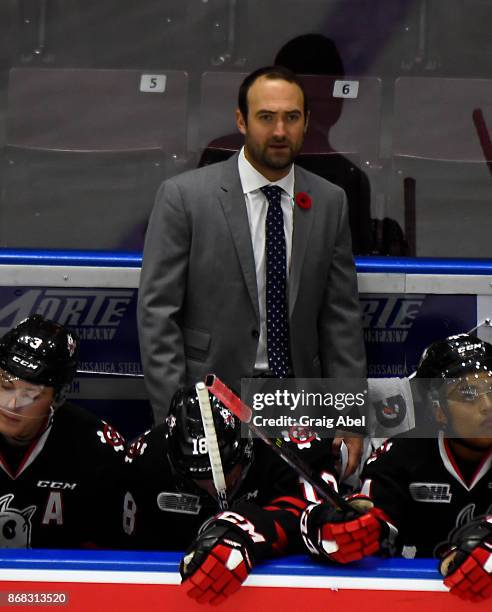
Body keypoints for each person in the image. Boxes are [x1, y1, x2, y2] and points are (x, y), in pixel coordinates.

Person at [138, 65, 366, 472]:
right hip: (210, 406)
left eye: (291, 118)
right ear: (241, 120)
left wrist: (351, 419)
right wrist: (177, 418)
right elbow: (158, 316)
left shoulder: (330, 201)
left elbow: (341, 321)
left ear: (306, 122)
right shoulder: (184, 198)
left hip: (299, 411)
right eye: (266, 117)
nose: (280, 131)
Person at [299, 334, 492, 602]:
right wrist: (336, 528)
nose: (488, 407)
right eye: (468, 394)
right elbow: (373, 521)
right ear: (438, 410)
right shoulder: (401, 455)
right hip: (418, 600)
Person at [122, 385, 340, 604]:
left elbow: (317, 522)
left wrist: (248, 527)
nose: (215, 486)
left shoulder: (287, 445)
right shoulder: (145, 460)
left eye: (226, 471)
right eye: (200, 476)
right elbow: (125, 556)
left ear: (246, 449)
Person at [0, 315, 126, 549]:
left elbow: (110, 560)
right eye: (5, 385)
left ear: (56, 398)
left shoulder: (96, 451)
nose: (12, 404)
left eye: (30, 394)